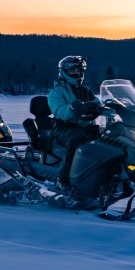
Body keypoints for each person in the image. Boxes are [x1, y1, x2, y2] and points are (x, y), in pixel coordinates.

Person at [47, 55, 100, 190]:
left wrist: (114, 107)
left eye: (79, 71)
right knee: (76, 141)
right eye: (73, 71)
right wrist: (72, 108)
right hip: (64, 128)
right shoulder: (56, 92)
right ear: (63, 72)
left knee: (111, 138)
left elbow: (97, 103)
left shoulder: (85, 91)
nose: (77, 74)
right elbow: (59, 111)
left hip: (85, 126)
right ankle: (64, 180)